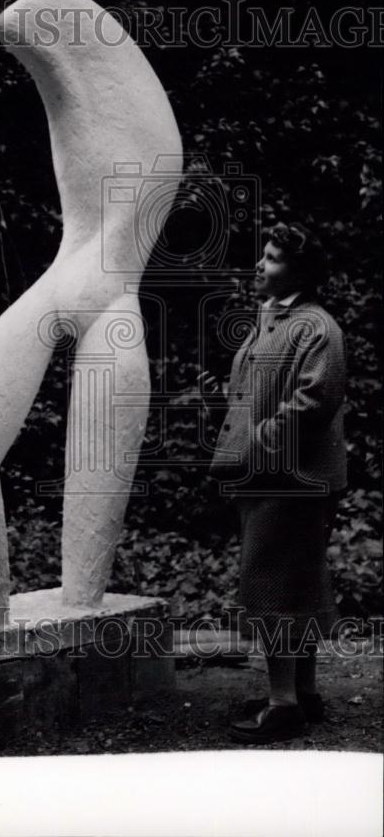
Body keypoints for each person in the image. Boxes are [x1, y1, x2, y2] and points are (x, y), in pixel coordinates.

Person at [199, 221, 347, 743]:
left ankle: (282, 704)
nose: (259, 265)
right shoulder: (275, 321)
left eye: (272, 258)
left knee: (271, 588)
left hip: (288, 480)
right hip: (273, 478)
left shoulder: (317, 327)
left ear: (300, 272)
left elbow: (315, 401)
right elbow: (263, 386)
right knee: (296, 585)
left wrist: (258, 439)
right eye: (262, 255)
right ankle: (302, 694)